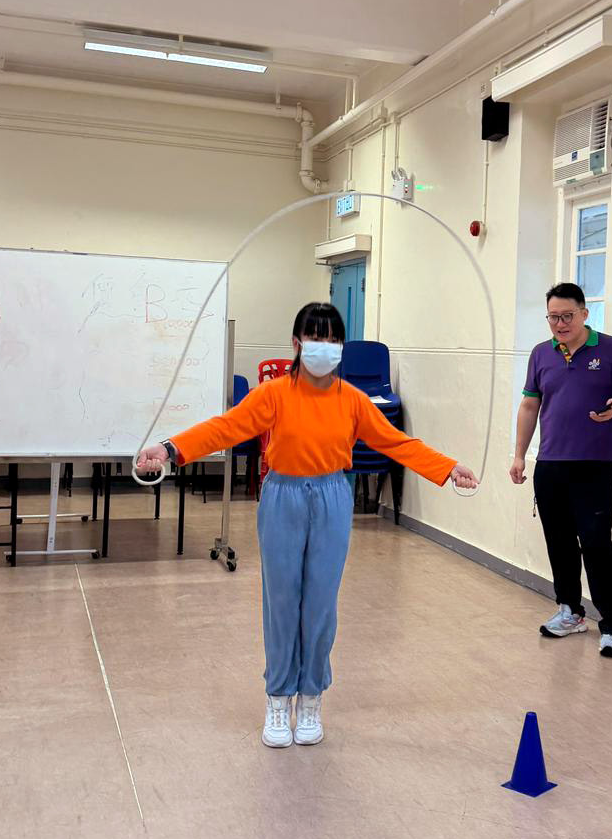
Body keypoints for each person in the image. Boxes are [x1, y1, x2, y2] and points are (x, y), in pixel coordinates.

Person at [136, 302, 478, 746]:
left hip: (333, 497)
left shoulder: (352, 400)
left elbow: (395, 442)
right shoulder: (273, 395)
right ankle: (279, 697)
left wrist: (446, 467)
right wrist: (170, 449)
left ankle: (312, 695)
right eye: (316, 337)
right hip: (283, 497)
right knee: (282, 601)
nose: (325, 346)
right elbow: (225, 428)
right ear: (297, 344)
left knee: (320, 603)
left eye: (333, 339)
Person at [510, 283, 612, 657]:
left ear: (584, 314)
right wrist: (519, 455)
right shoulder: (541, 354)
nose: (560, 324)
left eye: (567, 316)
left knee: (596, 543)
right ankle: (570, 610)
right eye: (553, 317)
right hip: (551, 465)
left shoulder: (611, 349)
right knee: (560, 542)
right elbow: (529, 406)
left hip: (595, 466)